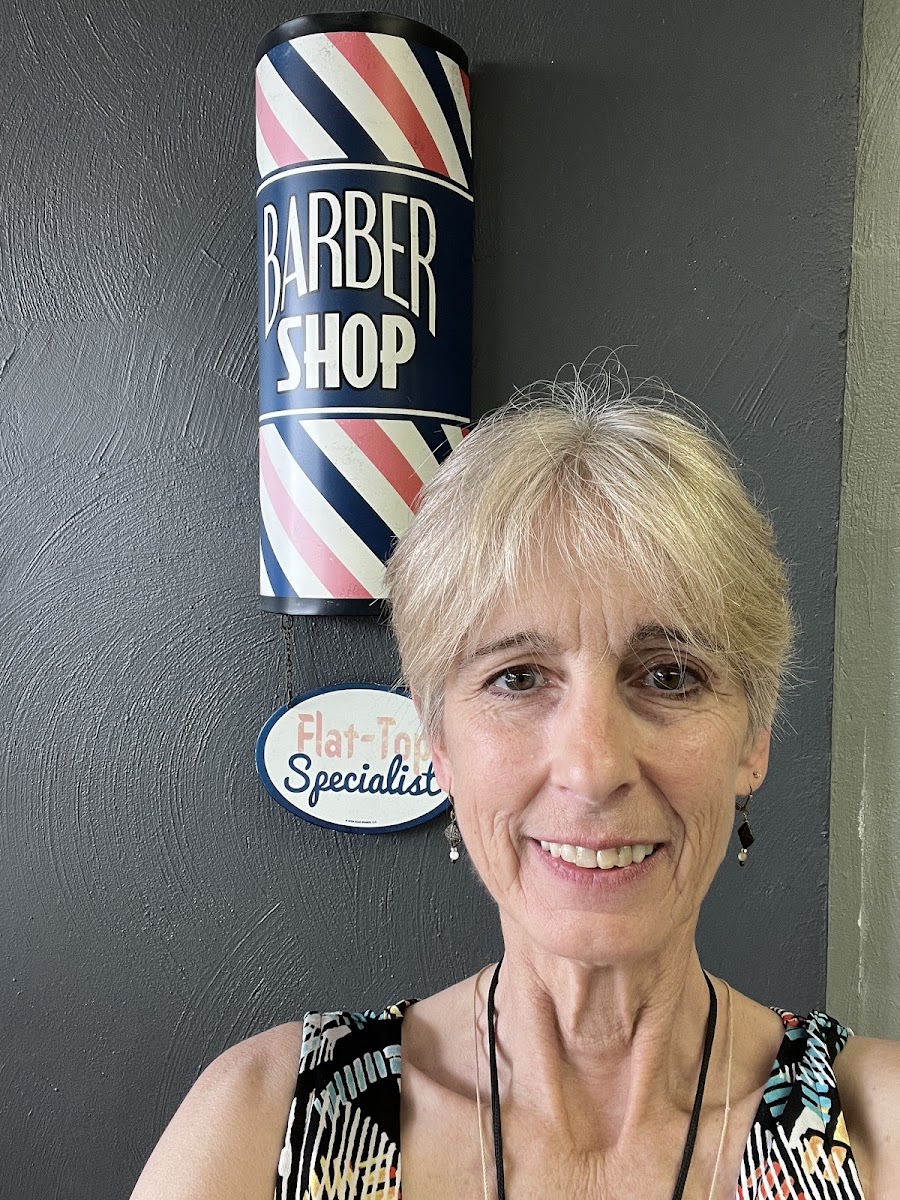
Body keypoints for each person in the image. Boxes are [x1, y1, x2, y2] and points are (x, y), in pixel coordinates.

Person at [131, 367, 900, 1200]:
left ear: (754, 737)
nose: (593, 769)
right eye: (519, 678)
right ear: (439, 743)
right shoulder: (265, 1127)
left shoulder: (878, 1131)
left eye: (670, 675)